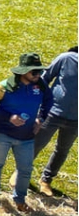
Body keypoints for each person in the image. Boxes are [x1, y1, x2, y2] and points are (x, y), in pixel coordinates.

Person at [0, 52, 50, 213]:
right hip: (2, 134)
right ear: (22, 72)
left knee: (25, 169)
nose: (38, 75)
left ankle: (19, 200)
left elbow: (49, 101)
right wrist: (9, 117)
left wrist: (40, 120)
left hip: (26, 137)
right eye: (34, 71)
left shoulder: (40, 85)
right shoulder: (3, 86)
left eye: (39, 71)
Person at [36, 47, 77, 195]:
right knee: (36, 144)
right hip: (53, 112)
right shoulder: (66, 58)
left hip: (75, 120)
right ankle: (20, 174)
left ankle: (46, 180)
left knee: (62, 150)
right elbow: (45, 78)